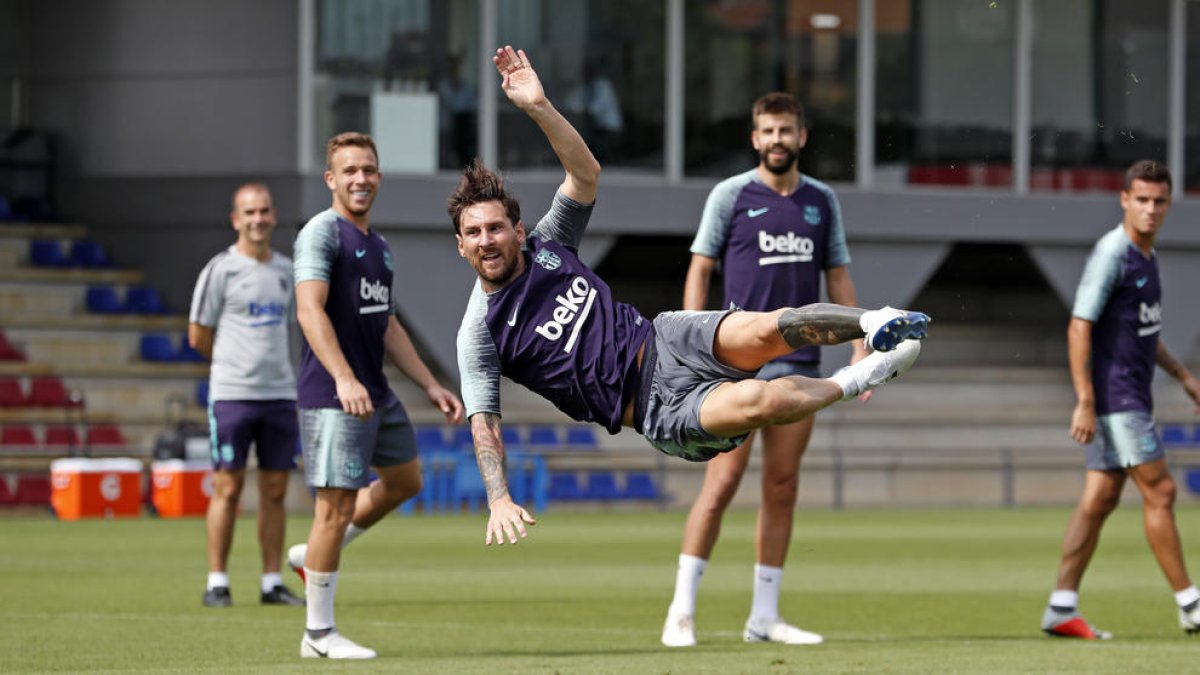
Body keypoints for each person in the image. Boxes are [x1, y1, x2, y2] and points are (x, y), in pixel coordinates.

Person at [452, 46, 929, 549]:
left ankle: (874, 321)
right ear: (460, 245)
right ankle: (858, 378)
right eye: (474, 232)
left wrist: (538, 107)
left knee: (765, 327)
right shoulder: (480, 331)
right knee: (756, 400)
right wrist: (498, 497)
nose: (487, 239)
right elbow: (484, 423)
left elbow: (585, 174)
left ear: (517, 229)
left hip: (667, 336)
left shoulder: (549, 242)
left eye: (496, 228)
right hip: (656, 406)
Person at [661, 92, 871, 648]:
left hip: (799, 363)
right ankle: (681, 611)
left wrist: (860, 348)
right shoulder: (730, 195)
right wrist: (691, 342)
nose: (777, 140)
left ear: (802, 137)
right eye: (767, 131)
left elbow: (839, 279)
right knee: (722, 481)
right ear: (755, 138)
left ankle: (764, 616)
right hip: (733, 362)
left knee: (782, 486)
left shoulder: (822, 202)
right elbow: (700, 270)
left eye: (786, 131)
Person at [288, 131, 465, 660]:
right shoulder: (321, 234)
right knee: (334, 508)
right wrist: (343, 378)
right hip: (333, 394)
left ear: (378, 177)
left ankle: (317, 554)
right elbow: (309, 310)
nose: (360, 179)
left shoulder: (379, 247)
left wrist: (430, 383)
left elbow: (386, 323)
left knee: (405, 481)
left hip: (377, 393)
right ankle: (317, 635)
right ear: (331, 180)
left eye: (368, 170)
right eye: (349, 171)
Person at [1041, 159, 1200, 640]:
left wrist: (1183, 376)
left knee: (1100, 499)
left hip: (1132, 394)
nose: (1151, 209)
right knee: (1163, 491)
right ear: (1124, 200)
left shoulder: (1146, 257)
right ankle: (1191, 604)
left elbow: (1144, 334)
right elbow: (1079, 325)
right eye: (1142, 200)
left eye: (1160, 201)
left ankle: (1061, 607)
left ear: (1169, 204)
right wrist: (1085, 400)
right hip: (1116, 398)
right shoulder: (1114, 254)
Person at [188, 182, 305, 609]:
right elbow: (198, 335)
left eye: (264, 211)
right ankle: (217, 581)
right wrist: (233, 366)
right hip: (232, 395)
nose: (258, 219)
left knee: (275, 490)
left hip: (279, 394)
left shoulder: (285, 270)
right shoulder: (220, 270)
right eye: (249, 212)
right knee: (228, 488)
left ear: (273, 216)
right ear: (236, 220)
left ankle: (271, 581)